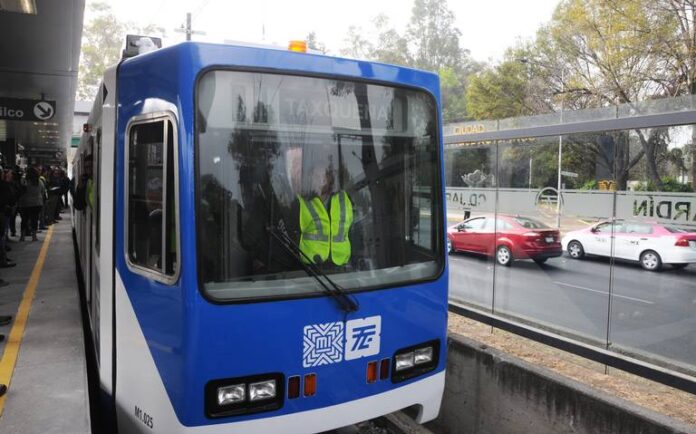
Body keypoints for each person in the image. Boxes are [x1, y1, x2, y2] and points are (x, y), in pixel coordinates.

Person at [18, 167, 45, 241]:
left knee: (24, 220)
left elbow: (20, 190)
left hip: (24, 203)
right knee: (34, 220)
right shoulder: (39, 182)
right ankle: (34, 237)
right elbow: (42, 192)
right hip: (37, 203)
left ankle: (22, 237)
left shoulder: (24, 181)